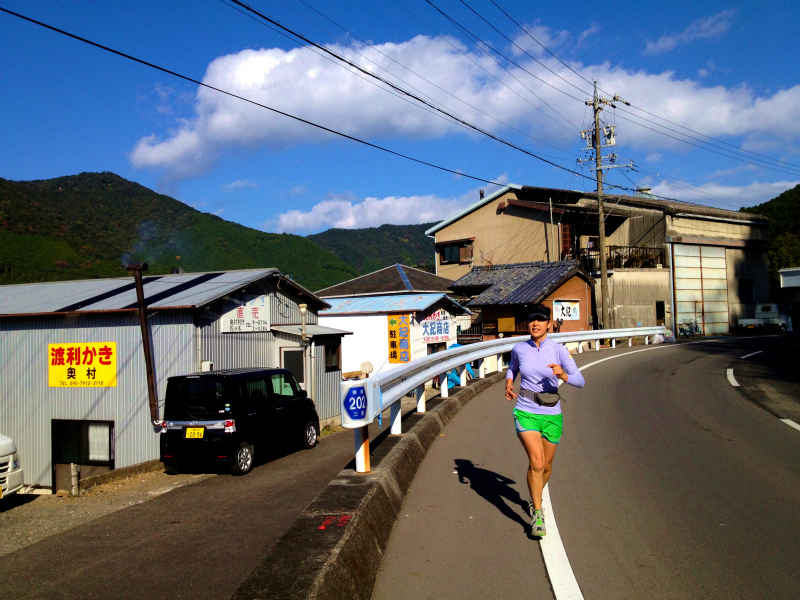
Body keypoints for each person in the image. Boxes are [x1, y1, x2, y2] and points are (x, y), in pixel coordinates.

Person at [505, 304, 585, 536]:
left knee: (546, 466)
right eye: (531, 320)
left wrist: (563, 375)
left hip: (552, 413)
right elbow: (512, 368)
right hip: (526, 411)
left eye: (540, 320)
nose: (535, 323)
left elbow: (580, 381)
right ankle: (537, 513)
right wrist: (509, 383)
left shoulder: (559, 351)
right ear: (527, 324)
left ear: (548, 323)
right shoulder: (520, 348)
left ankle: (534, 494)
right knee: (537, 462)